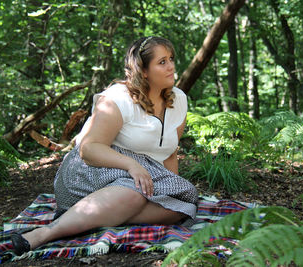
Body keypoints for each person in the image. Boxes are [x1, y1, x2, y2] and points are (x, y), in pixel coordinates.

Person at [11, 36, 198, 255]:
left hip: (143, 178)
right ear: (143, 70)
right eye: (162, 62)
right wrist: (132, 165)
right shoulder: (117, 99)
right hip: (90, 170)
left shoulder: (179, 100)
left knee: (184, 203)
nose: (172, 66)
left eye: (171, 59)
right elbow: (89, 149)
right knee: (135, 192)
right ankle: (46, 233)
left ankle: (90, 219)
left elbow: (169, 153)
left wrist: (170, 189)